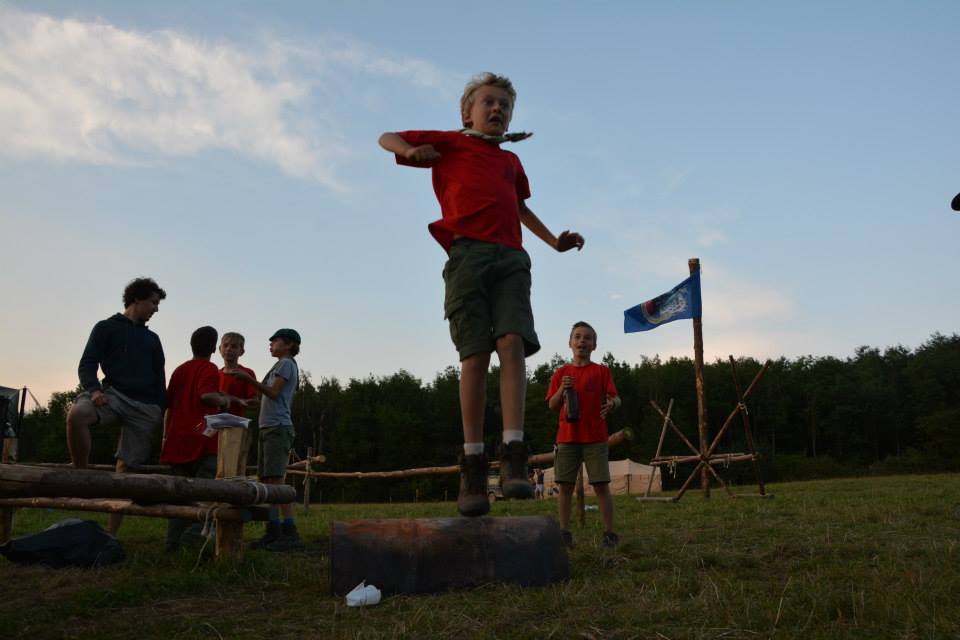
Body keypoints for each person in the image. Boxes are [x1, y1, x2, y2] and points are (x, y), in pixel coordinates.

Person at [378, 72, 585, 517]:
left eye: (505, 106)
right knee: (474, 355)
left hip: (511, 257)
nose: (497, 110)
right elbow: (385, 136)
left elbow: (521, 207)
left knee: (511, 343)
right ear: (467, 111)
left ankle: (513, 452)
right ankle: (472, 463)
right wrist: (409, 150)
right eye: (488, 103)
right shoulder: (451, 143)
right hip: (467, 256)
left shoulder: (510, 162)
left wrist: (553, 243)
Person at [67, 277, 167, 534]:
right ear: (137, 299)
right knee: (78, 414)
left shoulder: (153, 339)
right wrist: (94, 390)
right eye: (154, 303)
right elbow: (87, 363)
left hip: (145, 407)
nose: (156, 309)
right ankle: (82, 477)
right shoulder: (106, 327)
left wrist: (160, 409)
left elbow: (159, 378)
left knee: (126, 470)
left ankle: (110, 534)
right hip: (112, 396)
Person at [159, 326, 239, 552]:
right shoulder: (209, 368)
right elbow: (206, 395)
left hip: (177, 441)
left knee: (178, 497)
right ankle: (192, 538)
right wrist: (224, 400)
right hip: (202, 441)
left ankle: (172, 545)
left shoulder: (179, 370)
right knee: (206, 493)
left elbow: (169, 407)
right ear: (214, 348)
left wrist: (165, 436)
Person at [546, 321, 621, 548]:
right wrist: (562, 389)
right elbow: (552, 405)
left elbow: (616, 397)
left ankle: (609, 533)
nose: (582, 341)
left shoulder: (601, 371)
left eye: (587, 338)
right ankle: (564, 533)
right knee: (565, 486)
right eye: (577, 337)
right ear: (570, 343)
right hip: (567, 438)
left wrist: (612, 404)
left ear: (594, 345)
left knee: (600, 486)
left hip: (596, 437)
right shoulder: (561, 373)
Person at [227, 329, 301, 551]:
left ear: (288, 345)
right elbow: (271, 397)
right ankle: (274, 529)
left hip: (278, 428)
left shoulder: (286, 364)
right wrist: (254, 404)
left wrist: (247, 379)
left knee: (276, 481)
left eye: (275, 340)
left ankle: (289, 532)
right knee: (268, 481)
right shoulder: (279, 365)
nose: (270, 344)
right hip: (269, 427)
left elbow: (275, 393)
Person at [218, 332, 259, 469]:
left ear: (241, 351)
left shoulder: (247, 373)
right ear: (220, 349)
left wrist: (235, 400)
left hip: (235, 428)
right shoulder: (215, 374)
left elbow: (255, 402)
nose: (229, 349)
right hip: (215, 428)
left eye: (234, 346)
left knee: (231, 466)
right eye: (226, 345)